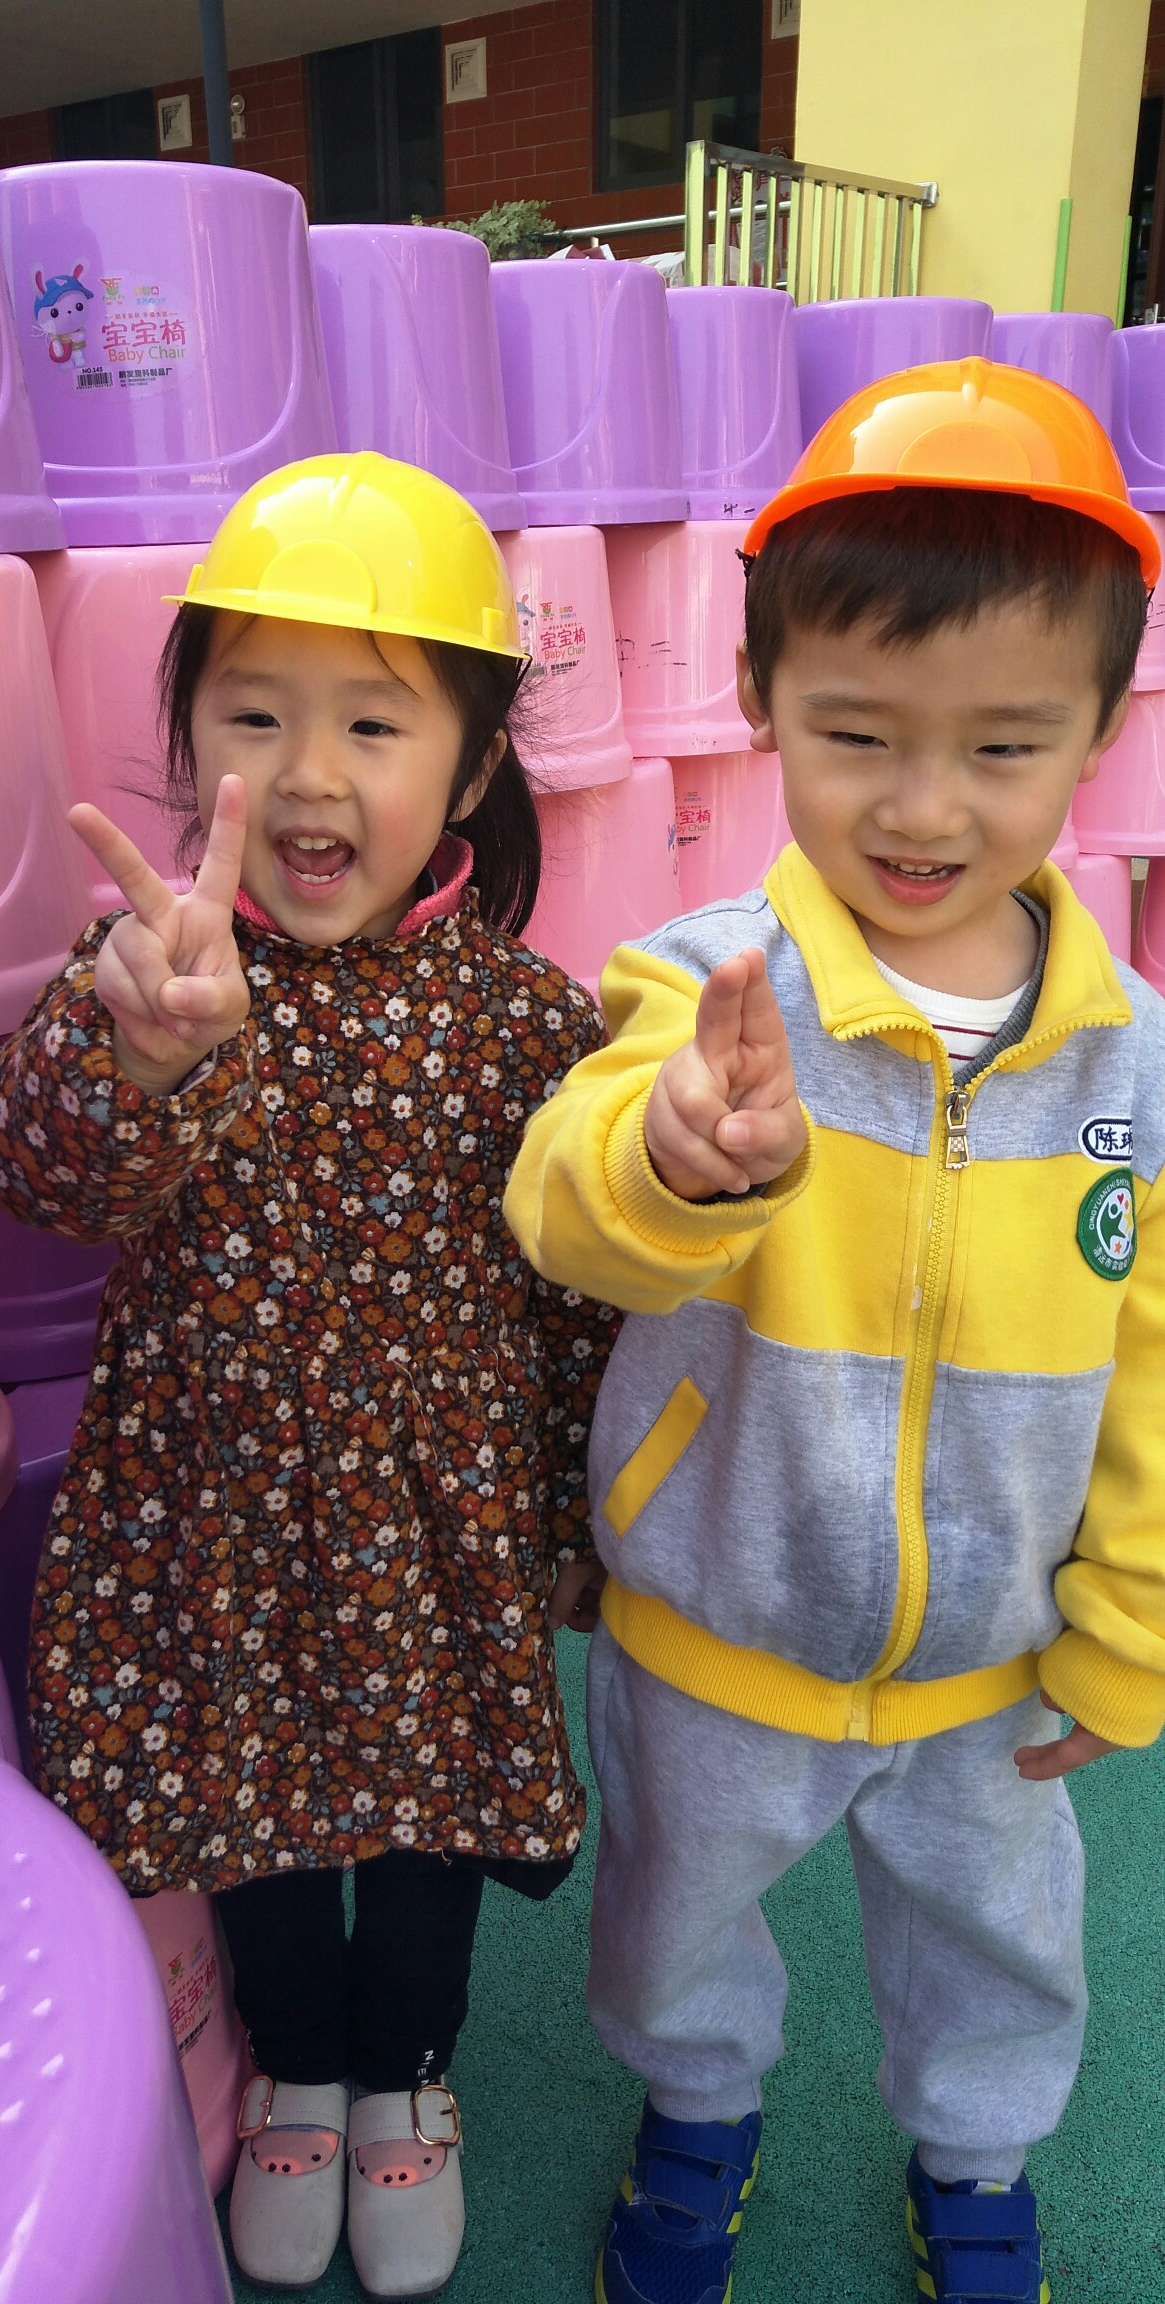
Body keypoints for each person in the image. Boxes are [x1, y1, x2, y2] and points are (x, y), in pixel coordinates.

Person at [504, 361, 1165, 2304]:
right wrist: (677, 1163)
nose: (924, 806)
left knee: (1005, 1952)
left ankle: (979, 2162)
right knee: (668, 1934)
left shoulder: (1133, 1063)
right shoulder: (704, 982)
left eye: (1004, 746)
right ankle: (697, 2115)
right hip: (713, 1636)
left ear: (1101, 732)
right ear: (758, 695)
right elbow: (560, 1205)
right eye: (857, 732)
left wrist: (1128, 1623)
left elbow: (1153, 1372)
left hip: (988, 1670)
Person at [0, 453, 618, 2300]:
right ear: (192, 742)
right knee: (240, 1822)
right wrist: (143, 1059)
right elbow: (27, 1167)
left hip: (436, 1535)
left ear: (470, 774)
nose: (311, 774)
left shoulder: (526, 1019)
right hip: (214, 1520)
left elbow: (581, 1295)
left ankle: (407, 2077)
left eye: (373, 724)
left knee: (423, 1831)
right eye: (255, 714)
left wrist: (581, 1514)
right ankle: (300, 2079)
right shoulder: (152, 973)